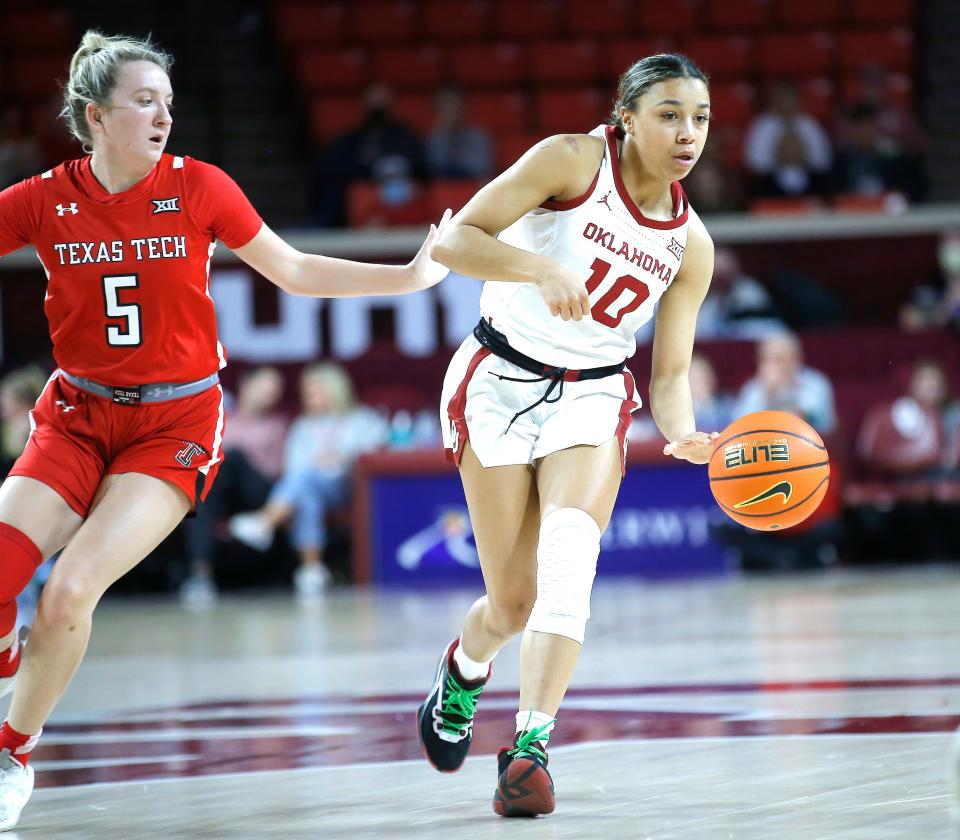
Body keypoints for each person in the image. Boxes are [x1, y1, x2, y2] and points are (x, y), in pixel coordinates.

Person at [0, 30, 448, 830]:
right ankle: (8, 662)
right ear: (96, 115)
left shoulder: (200, 187)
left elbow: (298, 269)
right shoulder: (40, 199)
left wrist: (410, 274)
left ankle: (10, 753)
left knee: (70, 592)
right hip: (75, 413)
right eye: (145, 101)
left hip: (173, 420)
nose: (163, 115)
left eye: (168, 103)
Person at [416, 54, 718, 818]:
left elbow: (671, 375)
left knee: (569, 558)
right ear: (626, 116)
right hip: (497, 378)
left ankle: (529, 750)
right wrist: (534, 269)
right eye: (670, 115)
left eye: (701, 119)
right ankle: (465, 668)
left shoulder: (692, 245)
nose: (688, 133)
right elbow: (454, 242)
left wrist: (681, 432)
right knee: (510, 603)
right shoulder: (571, 160)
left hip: (591, 397)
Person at [228, 362, 386, 598]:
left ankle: (264, 522)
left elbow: (374, 450)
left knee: (304, 478)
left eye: (316, 391)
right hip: (313, 486)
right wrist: (316, 463)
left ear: (334, 390)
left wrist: (340, 458)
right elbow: (292, 466)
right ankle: (312, 570)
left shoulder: (360, 419)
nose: (310, 397)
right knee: (306, 492)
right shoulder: (303, 426)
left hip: (348, 486)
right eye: (307, 392)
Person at [179, 365, 288, 606]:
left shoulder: (277, 426)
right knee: (202, 493)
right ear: (247, 385)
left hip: (260, 489)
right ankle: (200, 575)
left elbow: (279, 472)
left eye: (276, 389)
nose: (272, 392)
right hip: (224, 489)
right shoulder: (224, 418)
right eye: (267, 385)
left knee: (234, 455)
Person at [733, 332, 837, 435]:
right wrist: (768, 394)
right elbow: (739, 426)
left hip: (809, 445)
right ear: (762, 362)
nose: (784, 365)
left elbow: (826, 424)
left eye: (790, 357)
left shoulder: (816, 382)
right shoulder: (754, 388)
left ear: (799, 358)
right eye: (777, 359)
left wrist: (795, 390)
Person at [743, 81, 832, 199]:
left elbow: (822, 161)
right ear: (774, 101)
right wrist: (780, 162)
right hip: (770, 184)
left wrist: (799, 161)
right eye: (782, 100)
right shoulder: (762, 125)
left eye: (790, 99)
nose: (786, 104)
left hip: (810, 182)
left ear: (799, 101)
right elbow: (754, 164)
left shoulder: (809, 124)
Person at [427, 86, 493, 180]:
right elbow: (432, 169)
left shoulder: (479, 137)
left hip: (473, 187)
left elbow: (482, 167)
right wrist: (444, 134)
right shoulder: (433, 139)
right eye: (445, 106)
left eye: (454, 105)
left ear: (464, 108)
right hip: (444, 190)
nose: (451, 111)